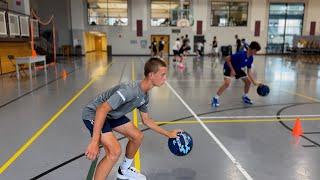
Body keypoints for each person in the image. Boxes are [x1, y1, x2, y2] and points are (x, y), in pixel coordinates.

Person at [82, 58, 181, 180]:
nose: (165, 78)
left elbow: (146, 120)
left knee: (137, 136)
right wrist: (94, 142)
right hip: (94, 113)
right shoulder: (130, 90)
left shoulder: (145, 95)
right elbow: (101, 109)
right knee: (114, 151)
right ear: (151, 75)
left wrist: (168, 134)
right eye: (162, 74)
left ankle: (123, 170)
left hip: (112, 114)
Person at [211, 41, 261, 107]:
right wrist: (232, 70)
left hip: (237, 68)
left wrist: (254, 82)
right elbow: (227, 59)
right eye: (256, 51)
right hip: (228, 67)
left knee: (248, 82)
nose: (256, 53)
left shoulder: (251, 58)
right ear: (253, 50)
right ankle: (215, 98)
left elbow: (249, 72)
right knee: (227, 83)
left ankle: (245, 97)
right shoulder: (240, 54)